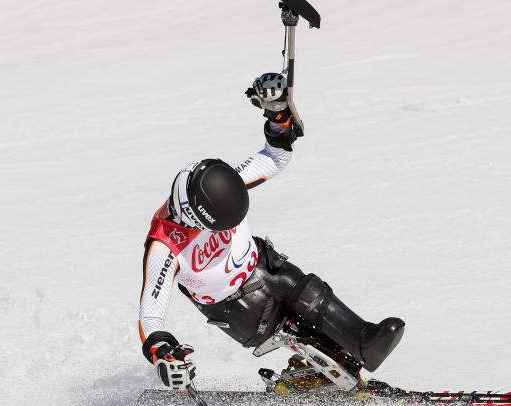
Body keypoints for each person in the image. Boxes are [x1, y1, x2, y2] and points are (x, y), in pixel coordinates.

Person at [137, 73, 405, 389]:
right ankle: (311, 375)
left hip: (265, 265)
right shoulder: (164, 247)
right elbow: (150, 315)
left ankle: (362, 341)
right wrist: (162, 351)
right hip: (237, 305)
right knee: (297, 331)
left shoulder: (218, 182)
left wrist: (278, 114)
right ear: (197, 218)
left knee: (311, 293)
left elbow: (275, 156)